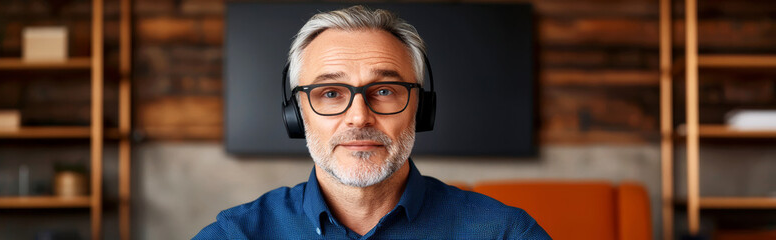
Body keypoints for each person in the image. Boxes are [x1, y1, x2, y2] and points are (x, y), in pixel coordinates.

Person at [194, 6, 550, 239]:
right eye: (330, 93)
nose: (359, 116)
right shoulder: (238, 234)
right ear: (297, 113)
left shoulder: (504, 233)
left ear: (421, 109)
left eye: (384, 90)